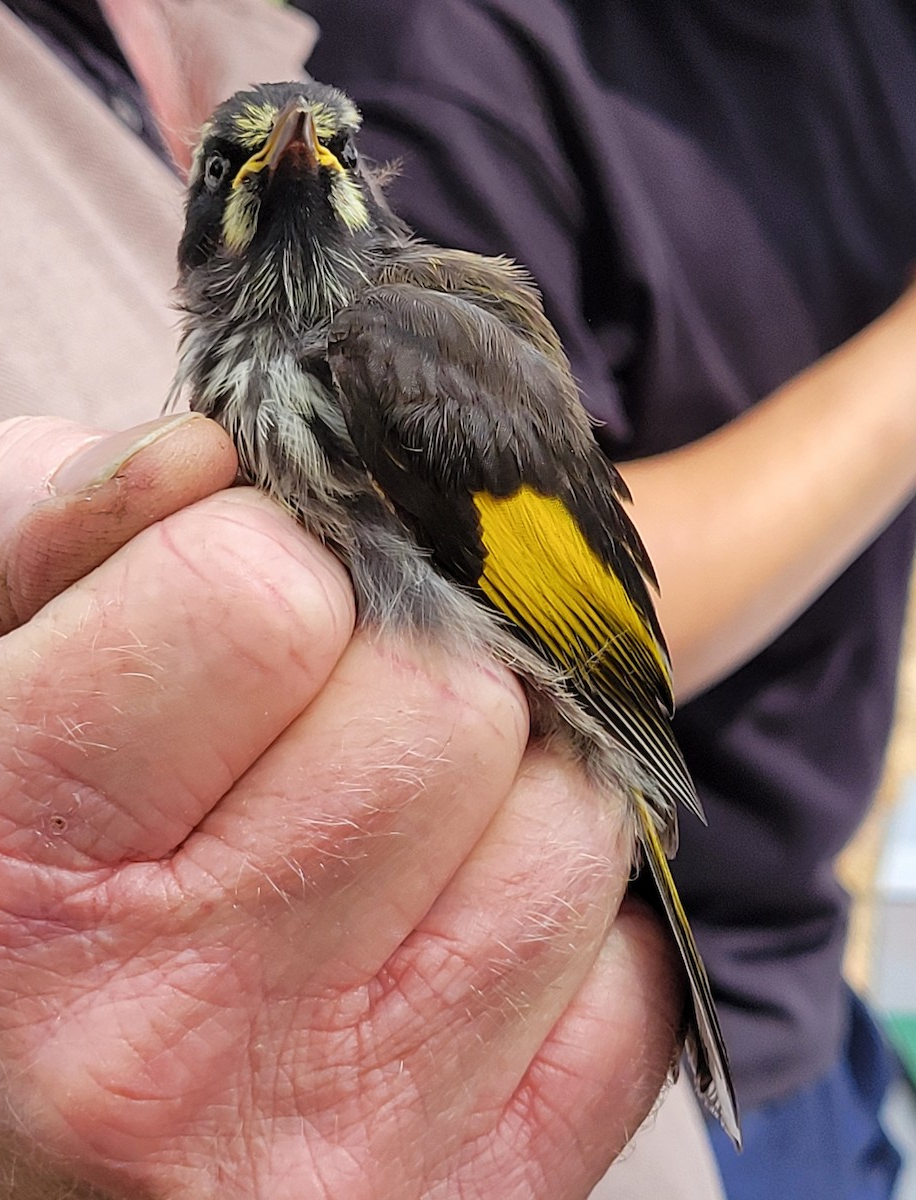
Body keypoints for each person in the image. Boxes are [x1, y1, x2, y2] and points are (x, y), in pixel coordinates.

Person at [0, 2, 703, 1196]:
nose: (291, 148)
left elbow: (577, 608)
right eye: (230, 163)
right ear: (202, 221)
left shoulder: (391, 339)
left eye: (330, 150)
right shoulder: (280, 356)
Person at [295, 1, 916, 1196]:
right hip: (581, 1028)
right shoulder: (451, 73)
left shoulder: (863, 40)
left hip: (799, 993)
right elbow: (471, 597)